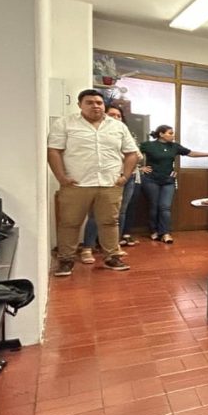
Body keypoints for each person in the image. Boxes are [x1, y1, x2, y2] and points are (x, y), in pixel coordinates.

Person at [47, 89, 139, 276]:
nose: (95, 106)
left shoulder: (118, 126)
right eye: (89, 102)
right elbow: (53, 150)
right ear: (79, 105)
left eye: (99, 102)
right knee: (69, 223)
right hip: (76, 184)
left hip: (110, 184)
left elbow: (132, 153)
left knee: (110, 222)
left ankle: (112, 257)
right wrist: (61, 177)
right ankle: (66, 260)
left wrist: (124, 176)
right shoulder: (65, 123)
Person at [79, 105, 139, 262]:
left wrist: (126, 173)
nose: (116, 118)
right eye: (112, 115)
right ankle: (87, 247)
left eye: (119, 116)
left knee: (120, 213)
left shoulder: (125, 133)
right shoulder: (96, 133)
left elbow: (136, 155)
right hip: (106, 178)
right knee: (95, 214)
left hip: (127, 177)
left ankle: (114, 246)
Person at [139, 125, 208, 244]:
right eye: (170, 133)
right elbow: (132, 153)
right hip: (151, 180)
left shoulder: (174, 146)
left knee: (165, 207)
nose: (173, 135)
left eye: (173, 133)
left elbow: (191, 153)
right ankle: (154, 230)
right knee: (154, 206)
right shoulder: (149, 145)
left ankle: (165, 233)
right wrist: (139, 167)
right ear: (161, 134)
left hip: (168, 181)